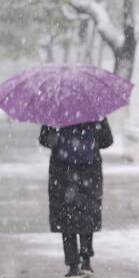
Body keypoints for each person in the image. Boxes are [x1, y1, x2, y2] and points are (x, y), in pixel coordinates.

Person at [39, 119, 113, 278]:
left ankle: (72, 264)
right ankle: (86, 261)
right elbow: (107, 141)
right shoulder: (95, 112)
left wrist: (57, 139)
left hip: (62, 171)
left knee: (66, 218)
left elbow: (44, 139)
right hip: (89, 171)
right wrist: (93, 138)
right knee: (87, 214)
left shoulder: (55, 111)